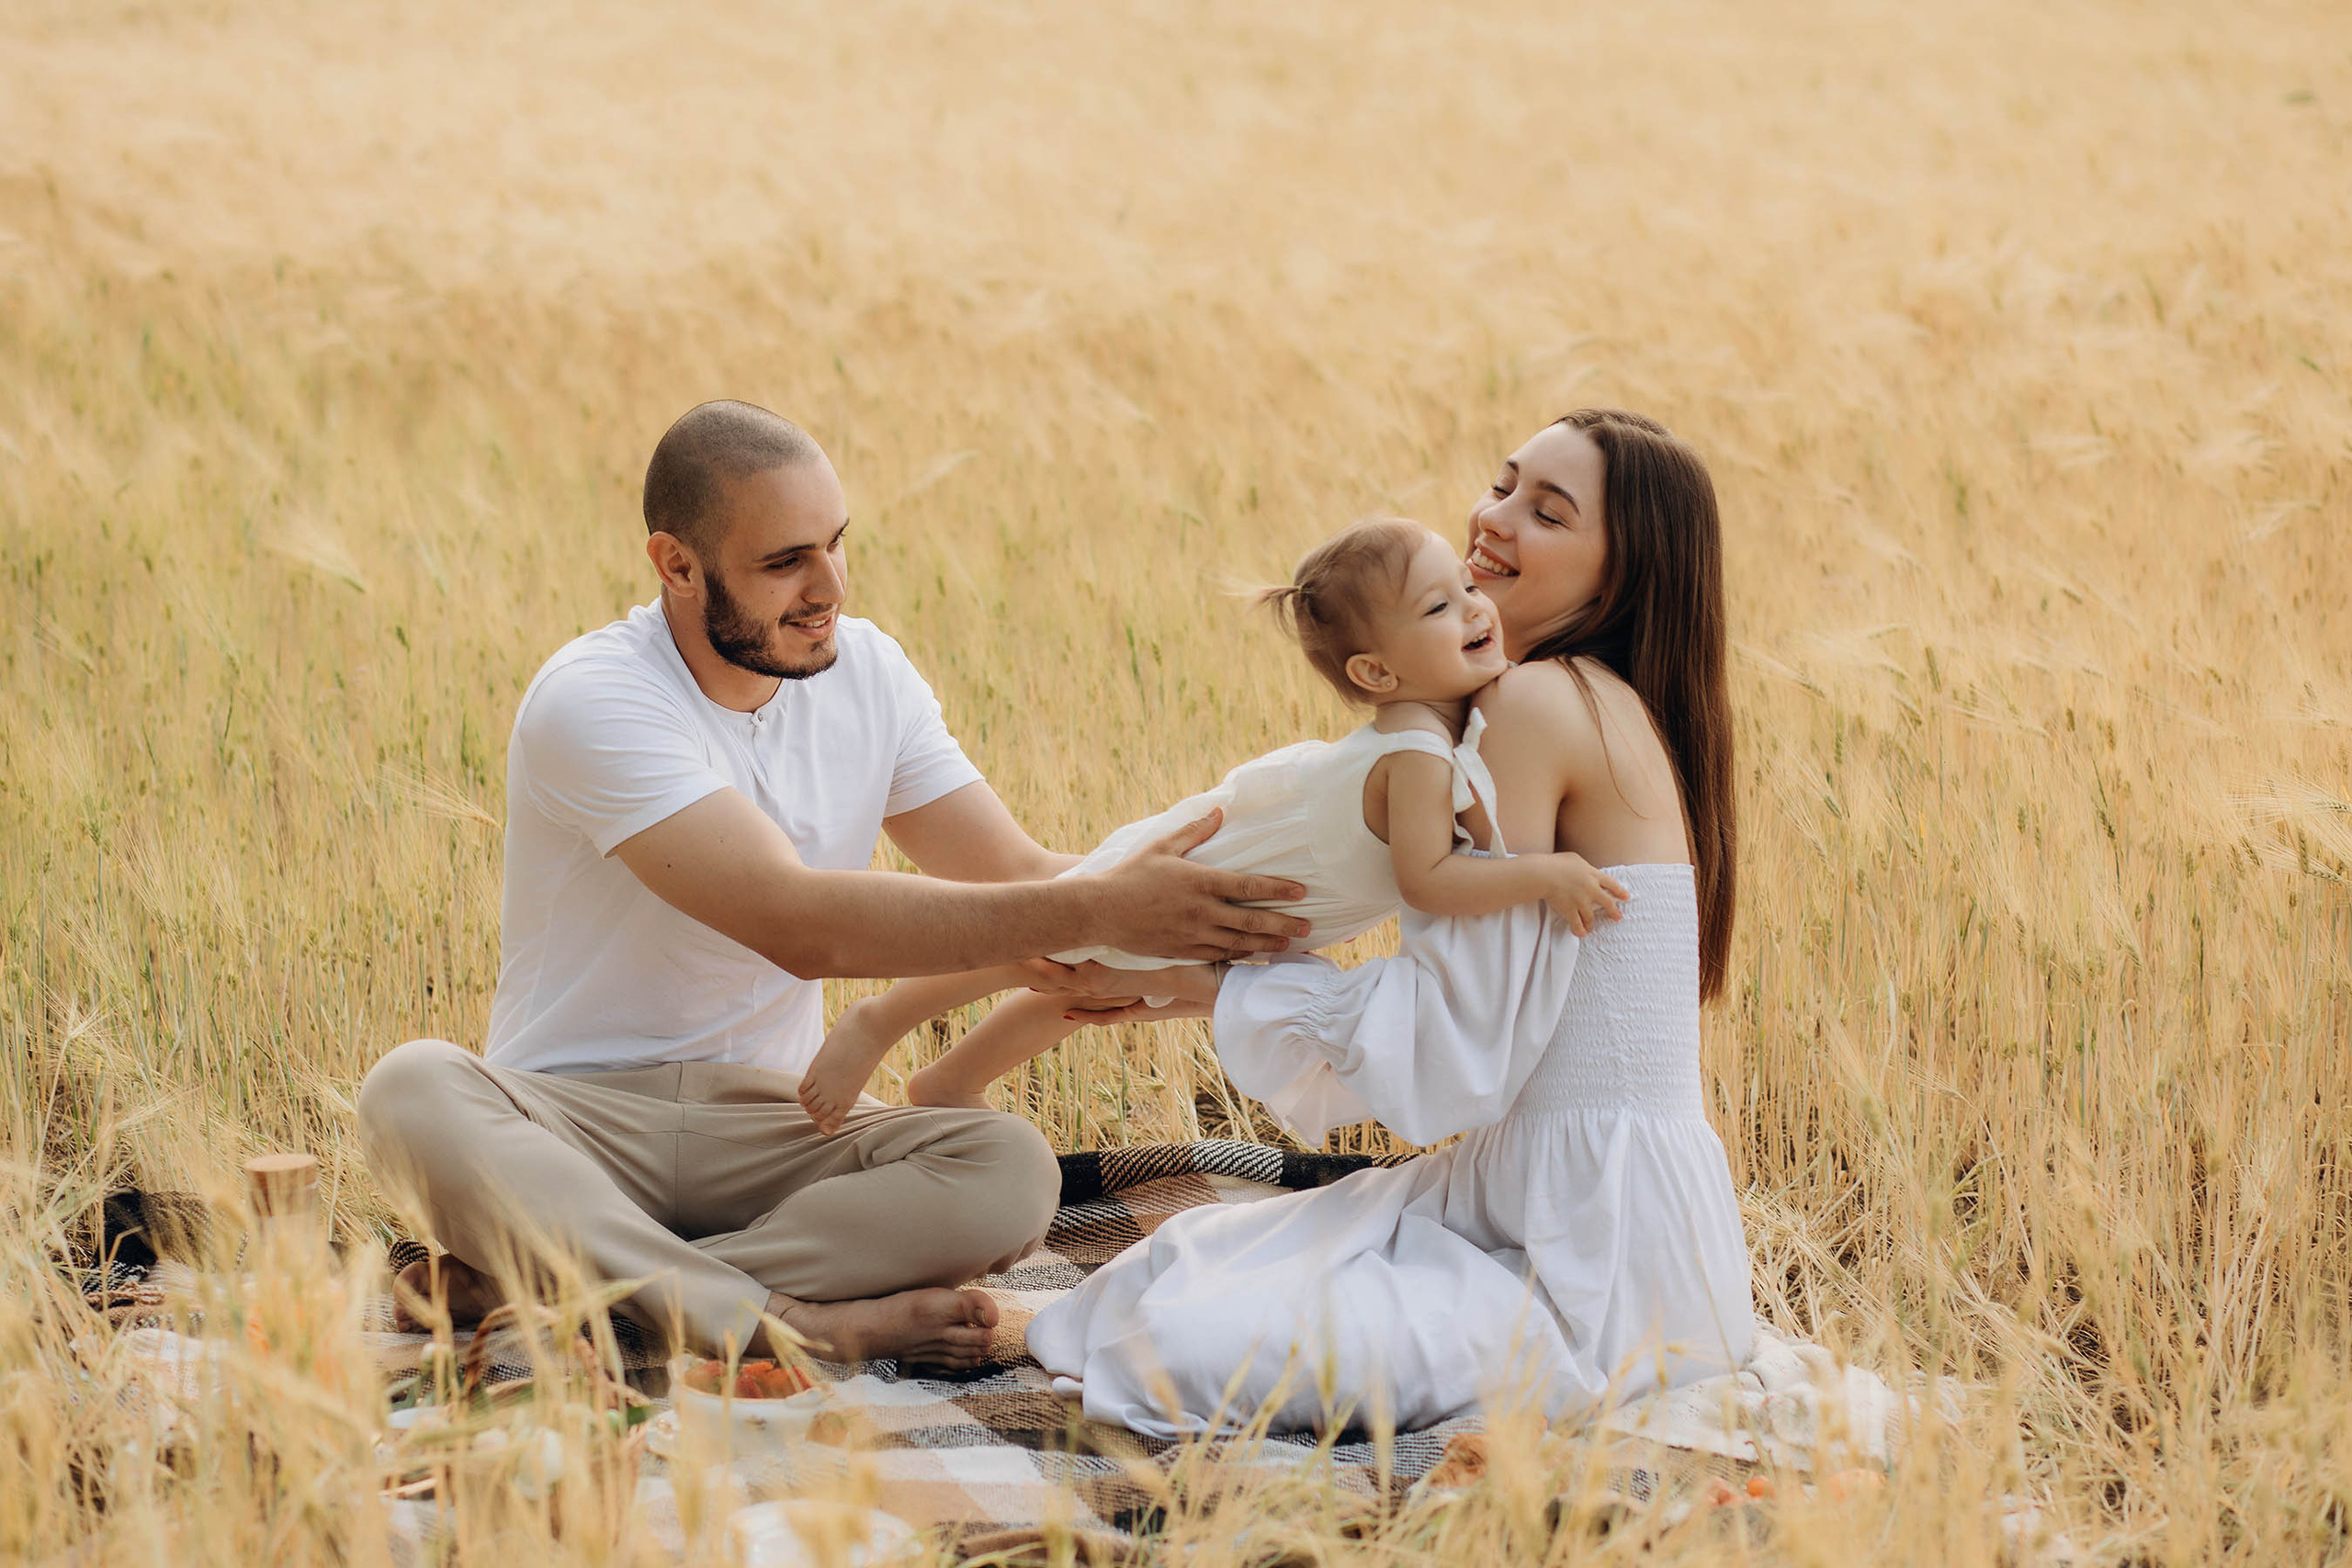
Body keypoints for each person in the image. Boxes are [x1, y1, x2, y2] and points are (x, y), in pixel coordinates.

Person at [357, 400, 1313, 1370]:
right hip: (575, 1125)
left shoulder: (871, 674)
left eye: (836, 545)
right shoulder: (594, 697)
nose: (829, 589)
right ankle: (788, 1318)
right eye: (784, 563)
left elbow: (1020, 879)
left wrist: (1247, 888)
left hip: (780, 1126)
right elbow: (797, 923)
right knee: (412, 1090)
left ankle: (592, 1285)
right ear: (676, 566)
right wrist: (1099, 905)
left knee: (1009, 1170)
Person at [1023, 410, 1757, 1435]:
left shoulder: (1537, 706)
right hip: (1577, 1200)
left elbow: (1457, 1035)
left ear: (1616, 579)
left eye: (1546, 512)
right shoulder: (1584, 696)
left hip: (1585, 1249)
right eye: (1503, 484)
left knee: (1174, 1341)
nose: (1493, 519)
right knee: (1173, 1268)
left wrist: (1208, 986)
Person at [793, 519, 1632, 1135]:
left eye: (1469, 589)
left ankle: (947, 1082)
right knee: (1050, 941)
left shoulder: (1437, 727)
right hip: (1216, 870)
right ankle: (880, 1021)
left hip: (1246, 900)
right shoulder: (1417, 747)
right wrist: (1546, 874)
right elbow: (1429, 881)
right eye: (1441, 605)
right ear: (1376, 671)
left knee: (1091, 984)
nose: (1475, 608)